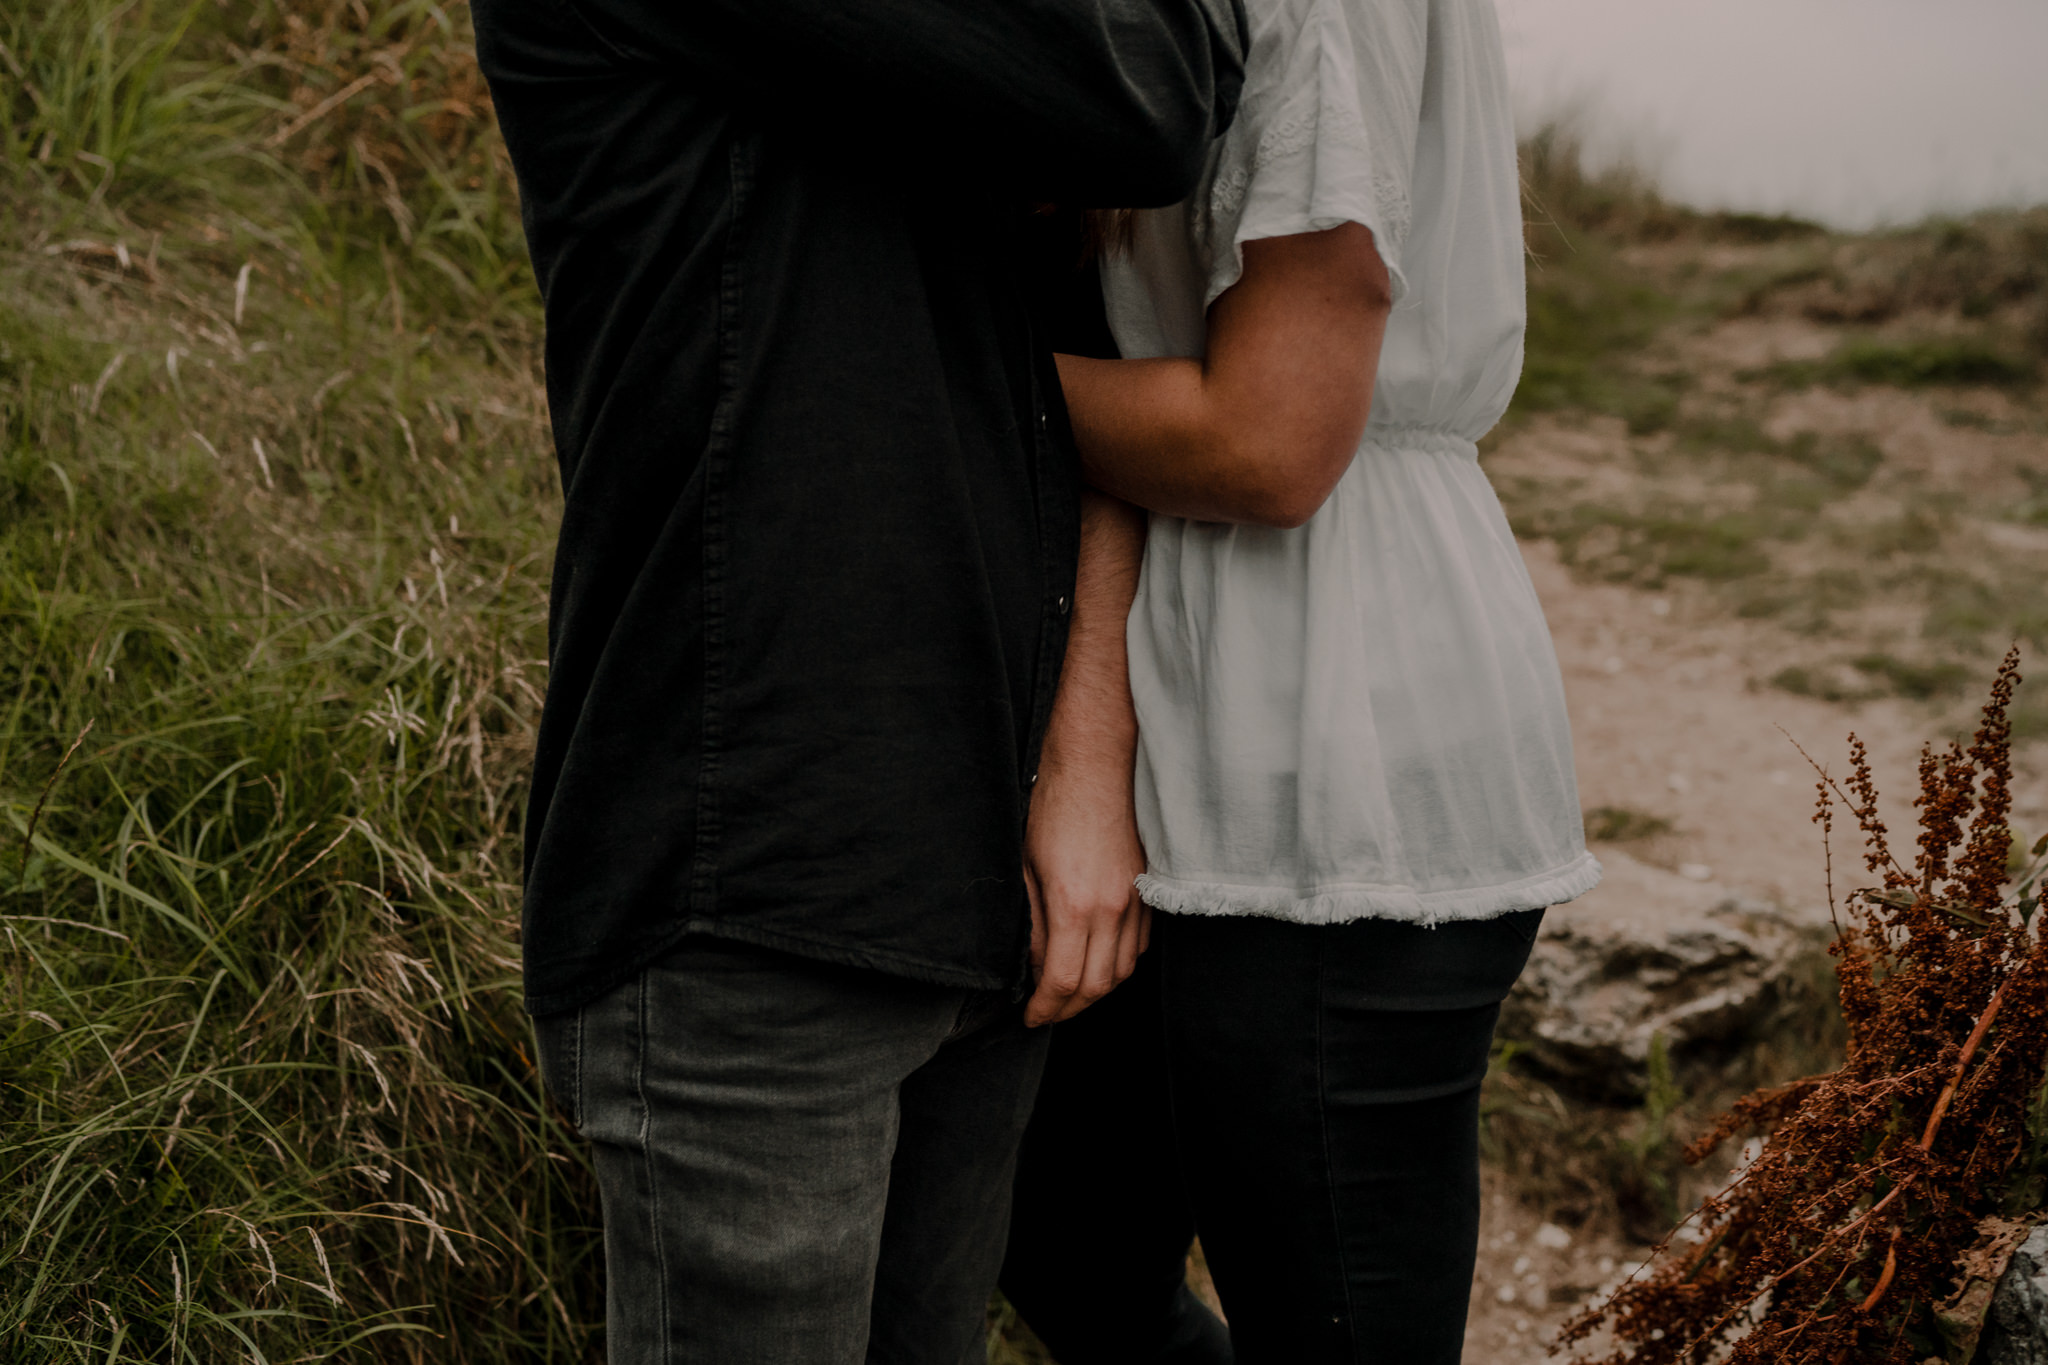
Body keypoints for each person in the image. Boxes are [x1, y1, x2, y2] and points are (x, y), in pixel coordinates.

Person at [468, 4, 1246, 1361]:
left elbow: (1074, 357)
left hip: (972, 870)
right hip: (761, 884)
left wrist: (1080, 763)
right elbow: (1146, 92)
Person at [998, 0, 1601, 1359]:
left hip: (1334, 731)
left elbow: (1269, 440)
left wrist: (917, 373)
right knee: (1067, 1243)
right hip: (1173, 693)